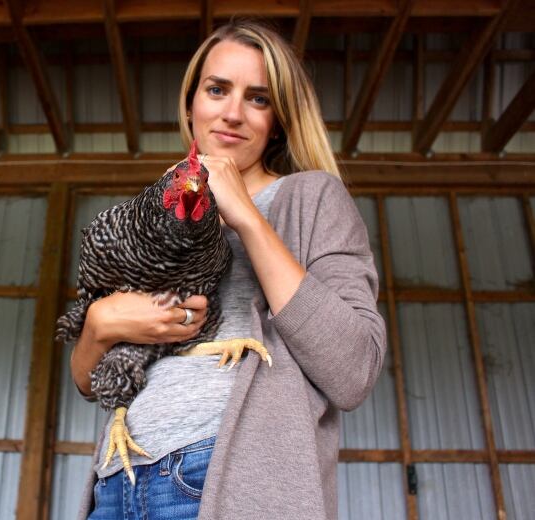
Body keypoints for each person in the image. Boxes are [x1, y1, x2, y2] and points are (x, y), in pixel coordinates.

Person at [70, 18, 386, 520]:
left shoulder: (312, 197)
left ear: (277, 119)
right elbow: (89, 381)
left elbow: (353, 371)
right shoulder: (153, 211)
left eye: (258, 98)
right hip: (117, 481)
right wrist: (99, 325)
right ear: (192, 102)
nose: (233, 113)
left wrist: (246, 216)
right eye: (217, 89)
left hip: (224, 478)